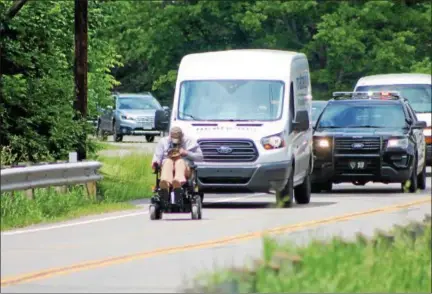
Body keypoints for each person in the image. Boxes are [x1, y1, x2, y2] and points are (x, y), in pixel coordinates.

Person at [151, 126, 203, 200]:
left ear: (182, 136)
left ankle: (178, 182)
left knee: (179, 162)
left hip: (185, 166)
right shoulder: (163, 141)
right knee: (168, 162)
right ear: (170, 136)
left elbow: (200, 157)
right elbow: (157, 157)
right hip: (167, 165)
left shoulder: (190, 141)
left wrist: (186, 153)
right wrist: (155, 163)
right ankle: (165, 183)